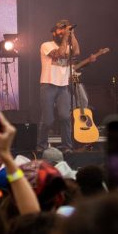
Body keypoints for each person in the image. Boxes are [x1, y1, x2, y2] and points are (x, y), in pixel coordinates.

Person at [37, 20, 80, 153]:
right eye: (61, 29)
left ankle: (67, 147)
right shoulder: (46, 45)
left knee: (65, 117)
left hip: (63, 86)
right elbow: (59, 54)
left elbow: (77, 52)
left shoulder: (68, 46)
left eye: (65, 29)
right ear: (54, 32)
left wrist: (72, 35)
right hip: (48, 84)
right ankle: (41, 146)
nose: (63, 32)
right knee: (48, 120)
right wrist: (66, 37)